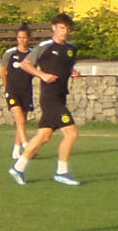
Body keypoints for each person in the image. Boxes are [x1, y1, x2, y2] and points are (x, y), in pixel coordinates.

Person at [12, 13, 83, 186]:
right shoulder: (44, 46)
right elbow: (25, 64)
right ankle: (62, 172)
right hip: (50, 98)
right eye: (61, 28)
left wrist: (73, 72)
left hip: (60, 96)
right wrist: (42, 75)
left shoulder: (71, 49)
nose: (64, 31)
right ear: (54, 28)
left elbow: (66, 66)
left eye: (67, 28)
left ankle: (18, 167)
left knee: (43, 136)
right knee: (72, 133)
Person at [0, 23, 35, 163]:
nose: (22, 40)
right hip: (12, 91)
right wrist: (8, 87)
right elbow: (2, 72)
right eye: (19, 37)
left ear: (28, 38)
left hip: (26, 91)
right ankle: (27, 147)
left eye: (24, 37)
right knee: (19, 120)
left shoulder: (32, 54)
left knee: (22, 122)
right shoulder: (10, 53)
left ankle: (16, 150)